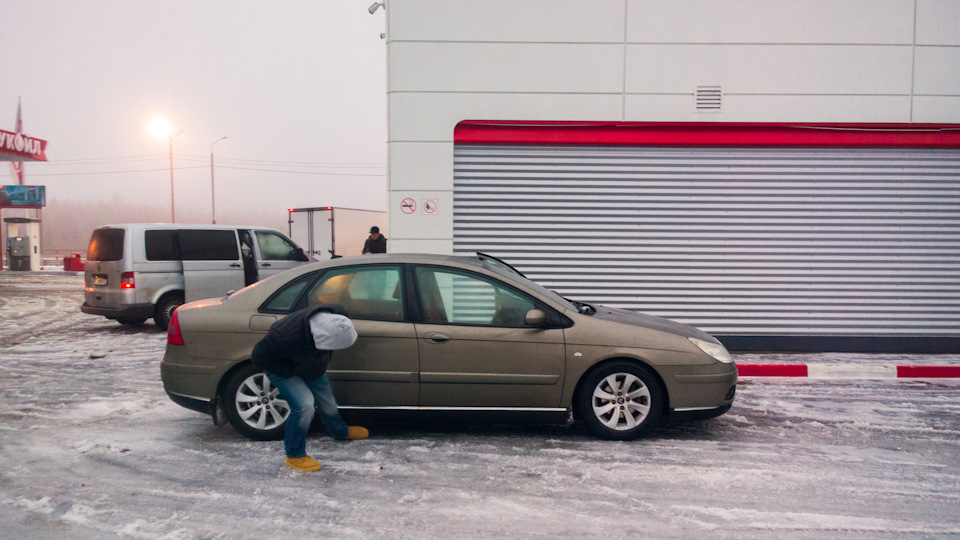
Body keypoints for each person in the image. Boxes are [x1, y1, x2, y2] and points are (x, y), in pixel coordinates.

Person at [251, 304, 369, 472]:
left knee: (327, 400)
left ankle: (339, 431)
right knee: (304, 406)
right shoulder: (283, 336)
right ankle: (294, 455)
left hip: (311, 366)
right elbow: (258, 357)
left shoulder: (338, 316)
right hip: (283, 369)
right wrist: (290, 371)